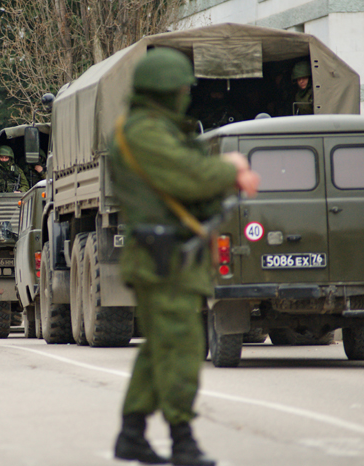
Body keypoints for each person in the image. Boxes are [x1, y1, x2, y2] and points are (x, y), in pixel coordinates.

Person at [109, 48, 260, 466]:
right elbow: (190, 176)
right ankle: (182, 439)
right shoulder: (143, 132)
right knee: (182, 348)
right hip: (163, 259)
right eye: (181, 90)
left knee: (161, 348)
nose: (185, 96)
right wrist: (231, 168)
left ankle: (132, 434)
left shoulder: (160, 129)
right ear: (164, 92)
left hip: (174, 257)